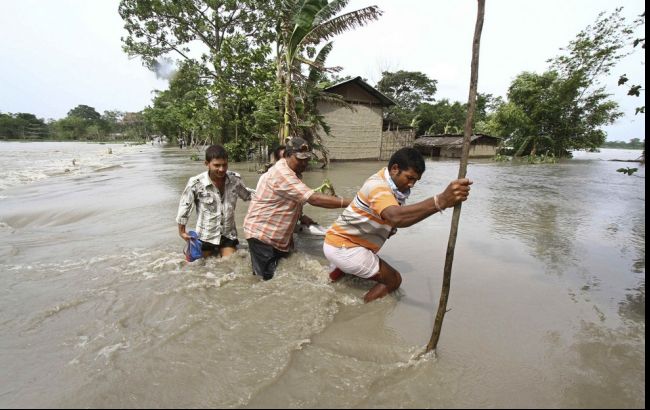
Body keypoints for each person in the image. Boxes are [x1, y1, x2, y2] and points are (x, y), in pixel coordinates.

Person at [323, 147, 473, 303]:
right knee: (394, 280)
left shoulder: (393, 188)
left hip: (337, 241)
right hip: (344, 247)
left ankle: (332, 277)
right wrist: (440, 201)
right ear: (395, 169)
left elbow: (396, 218)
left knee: (353, 272)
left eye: (415, 180)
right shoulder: (377, 186)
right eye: (409, 178)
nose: (412, 185)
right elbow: (396, 217)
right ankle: (359, 309)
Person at [243, 137, 352, 280]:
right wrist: (352, 202)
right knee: (265, 281)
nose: (304, 163)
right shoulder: (282, 173)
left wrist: (301, 216)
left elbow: (290, 198)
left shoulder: (292, 171)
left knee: (281, 274)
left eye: (307, 159)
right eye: (300, 159)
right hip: (263, 235)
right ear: (287, 155)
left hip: (278, 236)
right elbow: (314, 199)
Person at [176, 144, 252, 258]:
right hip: (206, 235)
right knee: (199, 267)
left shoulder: (235, 180)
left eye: (224, 165)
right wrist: (182, 232)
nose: (221, 169)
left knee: (230, 263)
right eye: (217, 165)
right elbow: (184, 207)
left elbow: (248, 196)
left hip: (228, 235)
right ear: (207, 164)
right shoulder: (196, 183)